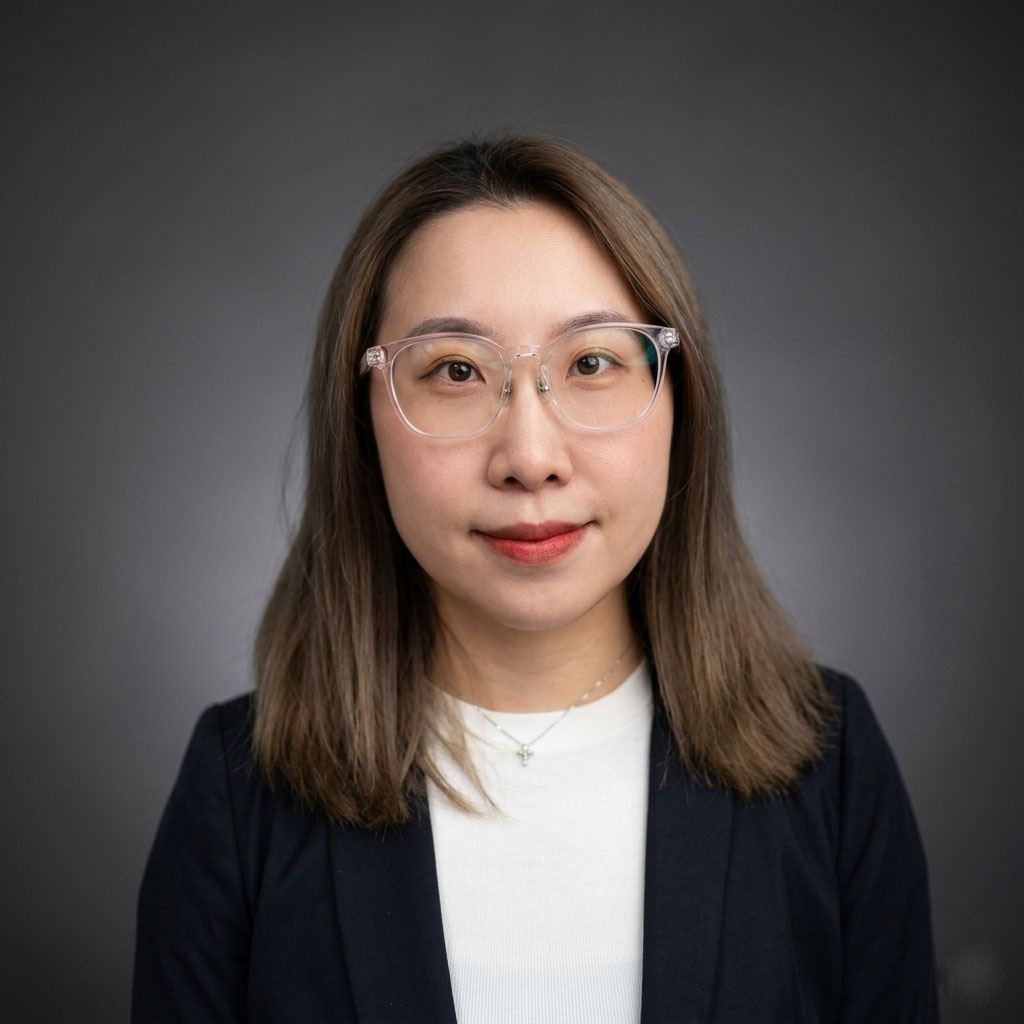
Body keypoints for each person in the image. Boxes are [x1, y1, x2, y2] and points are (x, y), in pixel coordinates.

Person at [132, 132, 938, 1023]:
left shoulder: (833, 766)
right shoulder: (240, 794)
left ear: (682, 400)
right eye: (455, 371)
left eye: (591, 362)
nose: (529, 457)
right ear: (361, 421)